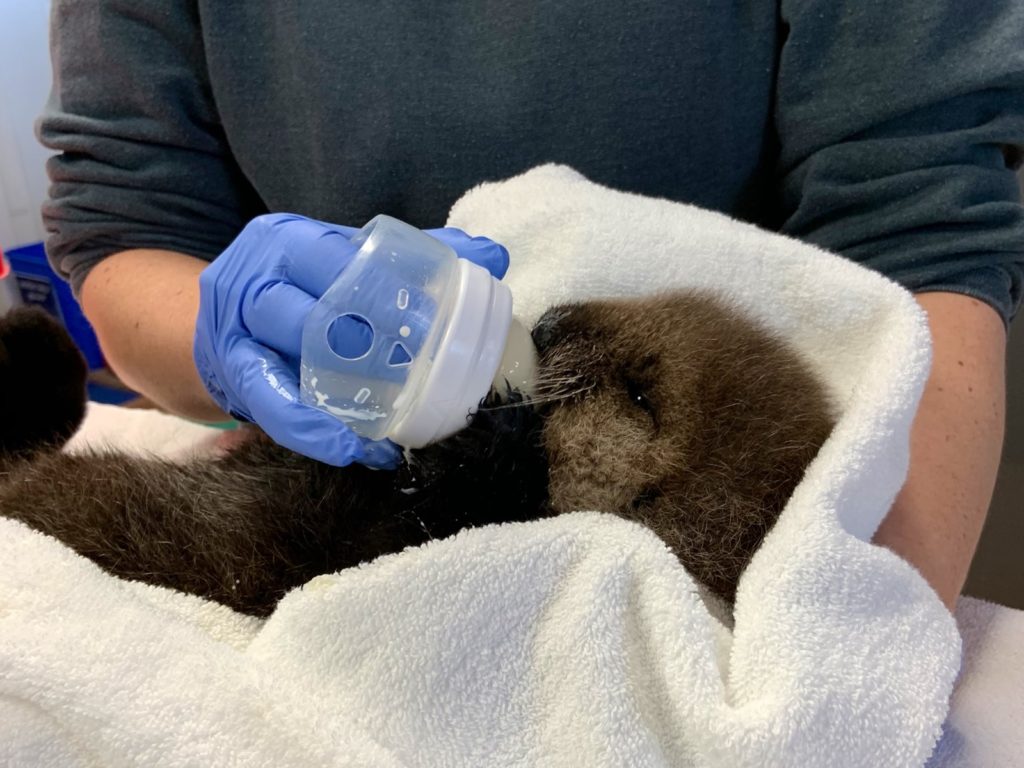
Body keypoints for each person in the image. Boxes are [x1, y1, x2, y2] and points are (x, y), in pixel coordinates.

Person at [38, 2, 1023, 610]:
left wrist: (848, 634)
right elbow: (128, 211)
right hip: (325, 459)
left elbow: (919, 224)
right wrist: (235, 334)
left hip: (735, 509)